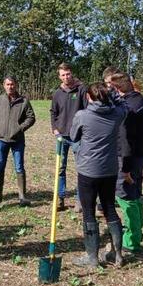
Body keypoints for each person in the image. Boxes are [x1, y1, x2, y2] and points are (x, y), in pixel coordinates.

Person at [69, 82, 129, 268]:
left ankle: (92, 257)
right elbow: (124, 105)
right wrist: (114, 96)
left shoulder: (83, 116)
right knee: (110, 208)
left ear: (88, 97)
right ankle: (117, 254)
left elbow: (73, 136)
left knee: (88, 213)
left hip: (88, 170)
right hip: (109, 169)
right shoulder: (117, 114)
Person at [109, 71, 143, 252]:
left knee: (126, 196)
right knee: (136, 193)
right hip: (140, 156)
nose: (111, 91)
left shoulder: (127, 108)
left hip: (127, 159)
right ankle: (137, 230)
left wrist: (124, 169)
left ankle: (131, 240)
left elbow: (124, 140)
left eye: (112, 87)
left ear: (119, 87)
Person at [0, 76, 36, 206]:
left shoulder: (24, 101)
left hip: (18, 140)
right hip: (1, 140)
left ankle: (22, 196)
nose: (10, 87)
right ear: (4, 85)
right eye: (8, 84)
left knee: (19, 167)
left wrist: (20, 128)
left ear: (16, 85)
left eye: (12, 84)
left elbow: (31, 117)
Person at [49, 62, 88, 211]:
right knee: (60, 169)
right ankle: (60, 199)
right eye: (63, 75)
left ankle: (80, 200)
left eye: (68, 74)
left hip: (78, 136)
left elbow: (87, 110)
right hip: (61, 136)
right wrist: (54, 129)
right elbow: (53, 112)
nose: (66, 77)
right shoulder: (57, 93)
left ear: (72, 73)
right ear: (59, 76)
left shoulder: (81, 89)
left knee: (82, 169)